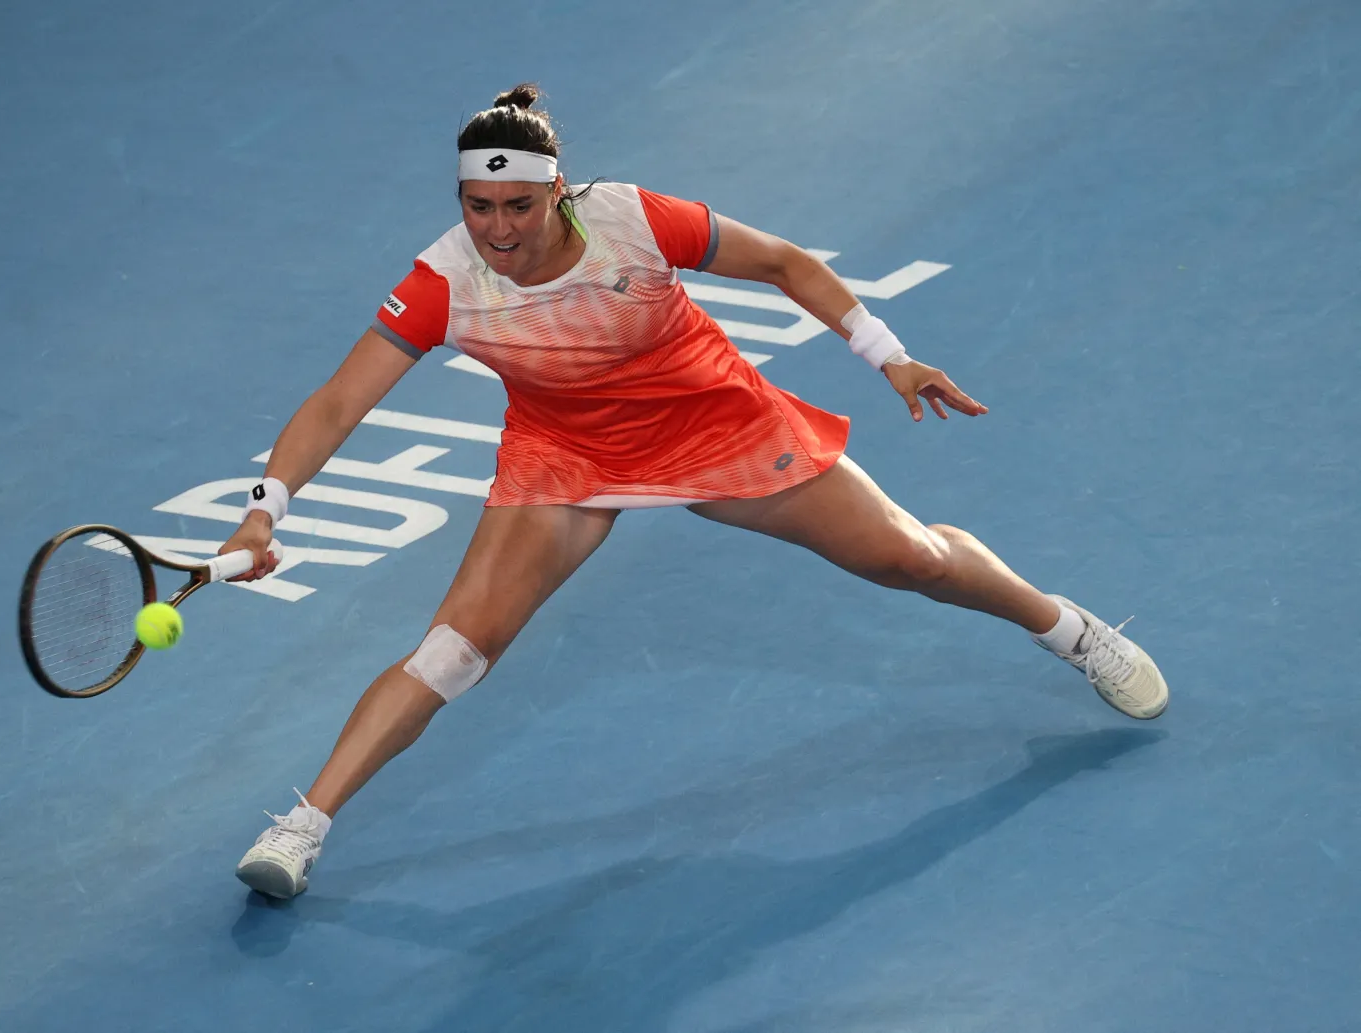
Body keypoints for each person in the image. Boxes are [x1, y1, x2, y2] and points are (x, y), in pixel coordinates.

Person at [221, 84, 1168, 900]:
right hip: (567, 456)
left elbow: (785, 263)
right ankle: (302, 826)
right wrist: (268, 507)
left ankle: (1070, 628)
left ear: (560, 191)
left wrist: (888, 355)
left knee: (908, 558)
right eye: (479, 206)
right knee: (453, 653)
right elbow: (342, 399)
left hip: (716, 427)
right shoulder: (445, 281)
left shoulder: (636, 220)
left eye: (518, 205)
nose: (499, 229)